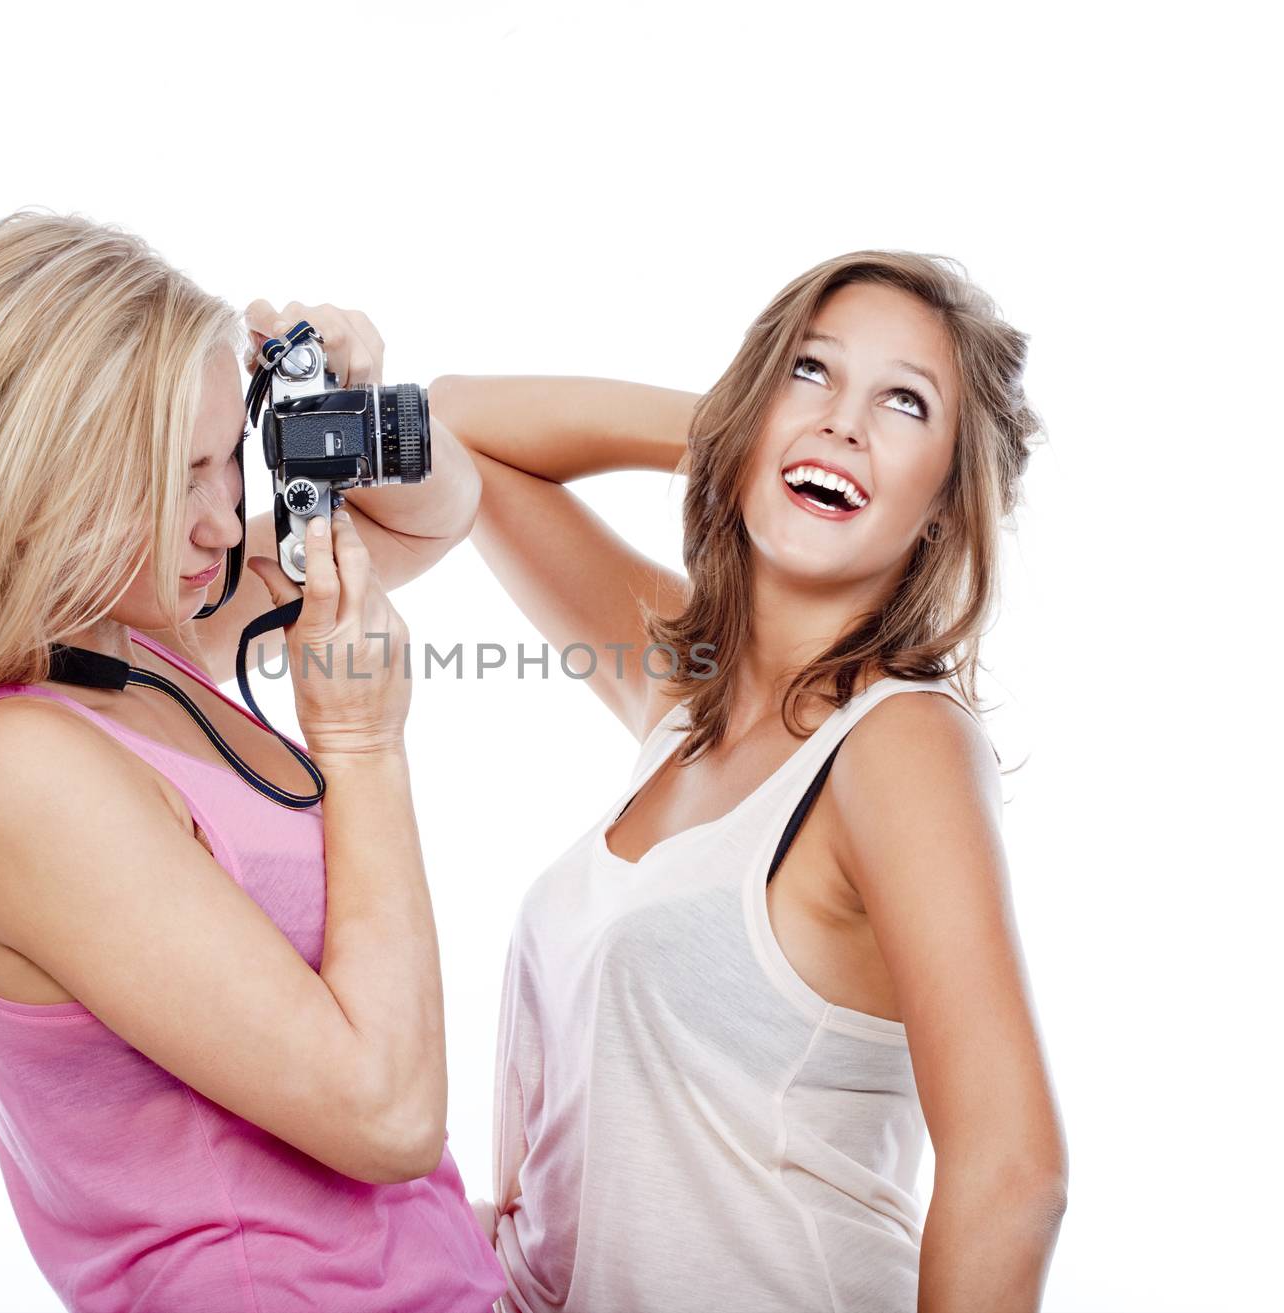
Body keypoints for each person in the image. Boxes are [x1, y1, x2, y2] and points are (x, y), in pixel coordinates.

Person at [0, 211, 504, 1312]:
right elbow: (386, 1116)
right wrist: (359, 743)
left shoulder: (143, 645)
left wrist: (355, 406)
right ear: (29, 488)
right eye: (176, 477)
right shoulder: (14, 768)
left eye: (229, 462)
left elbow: (438, 518)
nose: (220, 523)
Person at [433, 252, 1068, 1312]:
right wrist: (749, 427)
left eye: (902, 403)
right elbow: (457, 424)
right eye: (809, 372)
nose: (843, 426)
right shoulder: (683, 698)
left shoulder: (895, 742)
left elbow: (1013, 1172)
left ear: (947, 506)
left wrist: (787, 428)